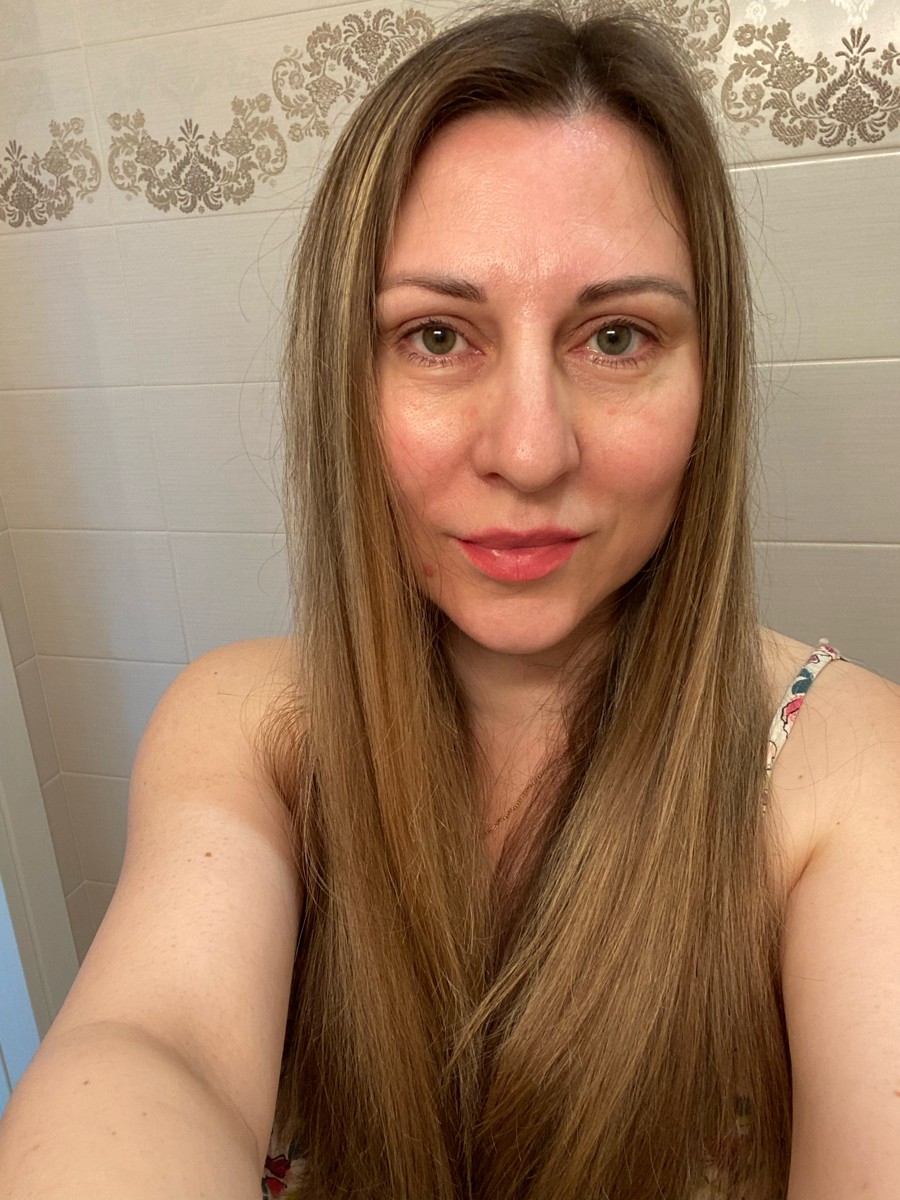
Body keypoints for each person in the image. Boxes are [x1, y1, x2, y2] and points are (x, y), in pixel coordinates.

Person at [0, 3, 898, 1199]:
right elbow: (158, 1051)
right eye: (436, 336)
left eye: (617, 337)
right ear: (347, 380)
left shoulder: (845, 769)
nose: (528, 452)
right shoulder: (251, 730)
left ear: (710, 383)